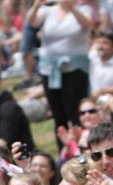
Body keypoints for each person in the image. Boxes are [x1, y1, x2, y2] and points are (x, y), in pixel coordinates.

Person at [27, 0, 92, 138]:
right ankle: (64, 149)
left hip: (75, 68)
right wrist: (37, 5)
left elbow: (87, 25)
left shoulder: (84, 9)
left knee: (74, 110)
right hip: (50, 69)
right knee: (58, 112)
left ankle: (81, 144)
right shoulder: (48, 11)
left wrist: (72, 8)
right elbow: (32, 22)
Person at [90, 30, 113, 100]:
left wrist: (102, 91)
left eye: (105, 43)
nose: (100, 46)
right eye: (98, 42)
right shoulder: (93, 58)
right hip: (96, 102)